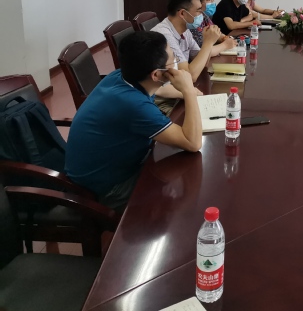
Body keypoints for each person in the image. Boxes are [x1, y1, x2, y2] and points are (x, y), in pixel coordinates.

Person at [65, 31, 204, 212]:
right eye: (173, 60)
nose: (177, 63)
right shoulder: (134, 105)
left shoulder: (123, 76)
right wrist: (188, 91)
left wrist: (186, 92)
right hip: (107, 189)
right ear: (156, 74)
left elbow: (158, 90)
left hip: (101, 169)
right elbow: (192, 142)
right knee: (183, 195)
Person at [152, 0, 235, 82]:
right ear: (182, 13)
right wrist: (208, 42)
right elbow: (190, 77)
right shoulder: (164, 35)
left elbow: (202, 62)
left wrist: (208, 41)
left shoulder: (185, 30)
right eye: (199, 10)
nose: (202, 14)